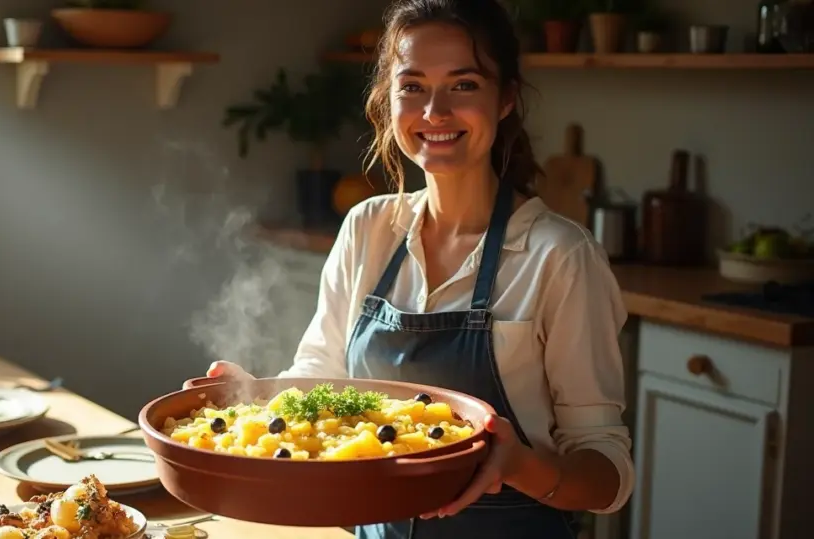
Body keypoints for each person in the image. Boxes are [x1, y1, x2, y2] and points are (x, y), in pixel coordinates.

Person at [190, 0, 633, 537]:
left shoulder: (558, 256)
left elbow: (607, 475)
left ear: (506, 99)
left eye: (464, 85)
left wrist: (520, 466)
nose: (434, 112)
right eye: (413, 86)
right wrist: (253, 400)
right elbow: (318, 374)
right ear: (387, 100)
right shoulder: (368, 228)